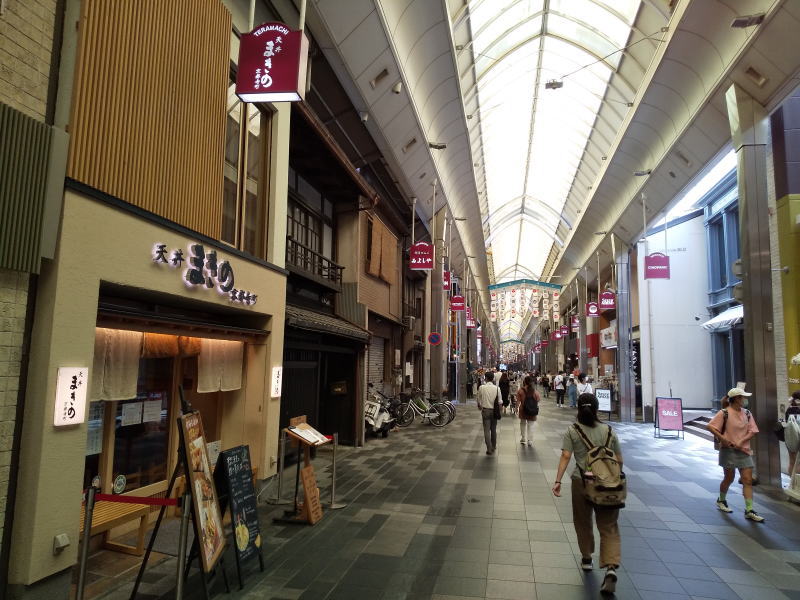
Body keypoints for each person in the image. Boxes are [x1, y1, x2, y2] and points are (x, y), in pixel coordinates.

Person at [552, 393, 622, 594]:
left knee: (583, 521)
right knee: (609, 526)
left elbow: (566, 456)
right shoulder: (609, 431)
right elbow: (619, 459)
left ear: (578, 409)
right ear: (597, 408)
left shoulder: (573, 431)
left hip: (581, 481)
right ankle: (610, 567)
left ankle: (587, 558)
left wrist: (557, 481)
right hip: (608, 484)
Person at [706, 387, 764, 522]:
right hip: (728, 451)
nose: (744, 400)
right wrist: (723, 438)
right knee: (729, 478)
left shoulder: (747, 413)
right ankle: (721, 500)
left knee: (747, 480)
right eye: (742, 397)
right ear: (736, 399)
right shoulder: (724, 413)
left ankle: (749, 510)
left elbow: (753, 430)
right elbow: (710, 426)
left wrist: (742, 441)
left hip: (743, 451)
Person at [477, 371, 501, 455]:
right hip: (494, 411)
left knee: (486, 430)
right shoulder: (497, 388)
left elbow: (478, 400)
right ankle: (494, 446)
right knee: (493, 429)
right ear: (492, 378)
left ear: (486, 378)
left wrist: (479, 406)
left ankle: (489, 448)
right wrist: (500, 412)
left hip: (486, 410)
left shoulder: (482, 387)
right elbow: (500, 402)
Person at [516, 375, 539, 445]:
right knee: (531, 425)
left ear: (524, 382)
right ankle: (530, 440)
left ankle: (523, 438)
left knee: (522, 423)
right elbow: (538, 400)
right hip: (532, 410)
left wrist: (516, 408)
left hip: (523, 410)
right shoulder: (534, 391)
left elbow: (518, 401)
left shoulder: (521, 390)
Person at [784, 391, 800, 478]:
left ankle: (792, 484)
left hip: (791, 438)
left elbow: (786, 422)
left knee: (792, 461)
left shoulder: (789, 409)